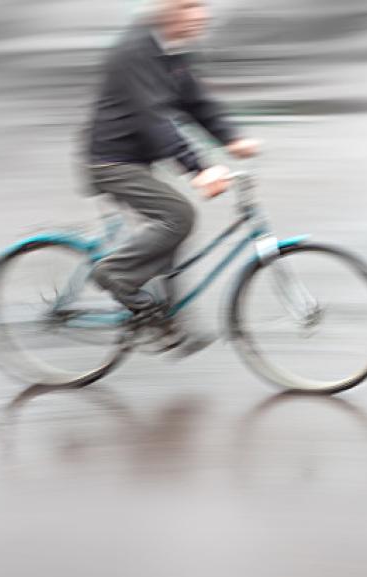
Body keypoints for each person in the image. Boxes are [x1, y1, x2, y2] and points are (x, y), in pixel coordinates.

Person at [84, 0, 260, 353]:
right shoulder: (136, 50)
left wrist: (232, 138)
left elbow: (196, 102)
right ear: (167, 10)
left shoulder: (170, 50)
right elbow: (153, 120)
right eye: (190, 6)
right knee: (179, 215)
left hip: (136, 161)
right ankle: (114, 275)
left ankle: (165, 324)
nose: (201, 14)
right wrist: (198, 168)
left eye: (202, 5)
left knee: (169, 232)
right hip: (111, 163)